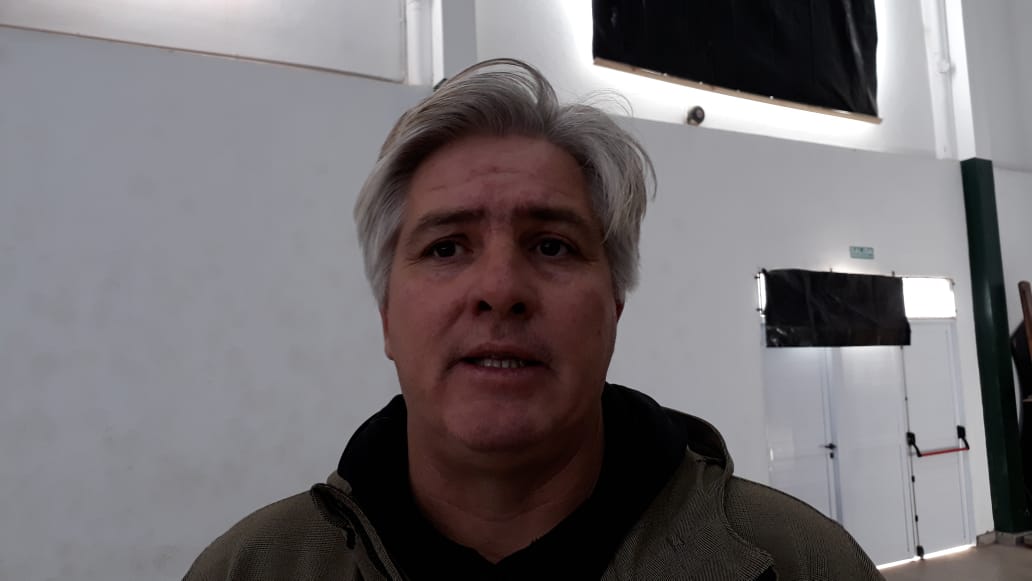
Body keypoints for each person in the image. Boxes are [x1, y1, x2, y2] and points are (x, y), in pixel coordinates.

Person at [185, 58, 883, 580]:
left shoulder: (801, 563)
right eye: (446, 246)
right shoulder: (248, 570)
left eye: (552, 245)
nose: (499, 289)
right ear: (387, 315)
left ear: (614, 307)